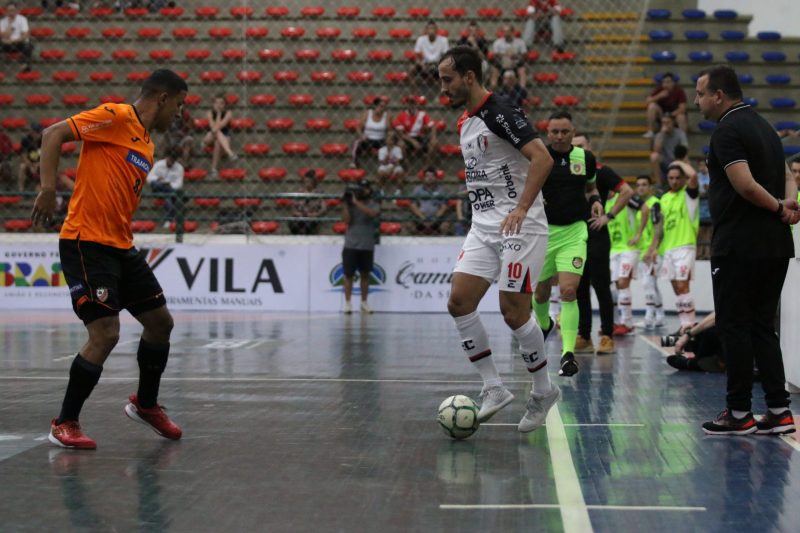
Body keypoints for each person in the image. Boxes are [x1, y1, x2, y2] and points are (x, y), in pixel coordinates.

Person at [31, 69, 188, 449]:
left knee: (160, 323)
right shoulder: (116, 117)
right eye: (179, 105)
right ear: (162, 98)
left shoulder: (147, 145)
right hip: (86, 242)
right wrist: (49, 188)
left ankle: (145, 405)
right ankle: (65, 422)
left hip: (120, 246)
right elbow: (53, 134)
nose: (180, 115)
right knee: (105, 333)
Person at [438, 45, 557, 432]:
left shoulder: (500, 112)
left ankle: (543, 391)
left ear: (469, 77)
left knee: (513, 311)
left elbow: (543, 158)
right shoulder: (464, 121)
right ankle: (493, 387)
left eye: (448, 79)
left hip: (519, 226)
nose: (443, 88)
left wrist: (521, 207)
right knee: (459, 302)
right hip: (483, 226)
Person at [695, 65, 798, 436]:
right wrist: (789, 202)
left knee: (735, 326)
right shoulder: (765, 126)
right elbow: (788, 171)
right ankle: (779, 410)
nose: (697, 101)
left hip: (740, 244)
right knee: (761, 326)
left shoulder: (727, 130)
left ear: (719, 95)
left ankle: (739, 413)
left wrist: (777, 207)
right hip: (775, 245)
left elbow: (745, 185)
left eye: (701, 93)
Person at [532, 111, 604, 376]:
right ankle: (543, 324)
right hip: (544, 233)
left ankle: (568, 354)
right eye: (555, 131)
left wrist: (596, 201)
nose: (560, 136)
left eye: (565, 131)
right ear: (547, 133)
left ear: (573, 132)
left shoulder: (584, 158)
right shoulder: (540, 157)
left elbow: (590, 188)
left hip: (575, 232)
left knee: (568, 292)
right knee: (539, 293)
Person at [571, 134, 633, 354]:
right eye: (574, 146)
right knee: (579, 288)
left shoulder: (601, 170)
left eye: (581, 146)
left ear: (589, 147)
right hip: (573, 236)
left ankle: (607, 335)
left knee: (601, 287)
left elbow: (627, 192)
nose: (577, 149)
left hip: (596, 235)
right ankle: (584, 336)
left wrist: (608, 216)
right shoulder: (567, 171)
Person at [658, 163, 699, 329]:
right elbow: (661, 225)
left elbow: (694, 177)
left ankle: (690, 325)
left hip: (685, 246)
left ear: (683, 179)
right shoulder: (664, 198)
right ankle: (684, 324)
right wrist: (654, 247)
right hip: (668, 248)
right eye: (671, 178)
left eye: (677, 178)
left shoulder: (689, 195)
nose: (674, 181)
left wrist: (679, 162)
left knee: (683, 285)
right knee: (677, 289)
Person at [341, 179, 380, 314]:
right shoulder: (351, 204)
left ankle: (364, 302)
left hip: (366, 244)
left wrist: (357, 203)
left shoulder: (373, 203)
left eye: (365, 188)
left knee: (365, 274)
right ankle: (347, 303)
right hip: (351, 244)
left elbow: (372, 214)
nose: (363, 191)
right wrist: (346, 205)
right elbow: (346, 221)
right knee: (348, 274)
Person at [634, 175, 665, 328]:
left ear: (651, 187)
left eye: (644, 185)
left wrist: (652, 249)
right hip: (644, 250)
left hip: (653, 251)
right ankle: (660, 316)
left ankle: (649, 317)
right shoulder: (643, 206)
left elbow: (659, 227)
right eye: (638, 185)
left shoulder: (654, 204)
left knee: (648, 283)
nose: (641, 187)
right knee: (651, 284)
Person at [392, 95, 438, 168]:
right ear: (406, 104)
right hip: (407, 138)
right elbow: (401, 134)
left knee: (434, 143)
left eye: (413, 103)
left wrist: (433, 137)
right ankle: (406, 166)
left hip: (420, 137)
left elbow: (432, 125)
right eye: (409, 103)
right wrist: (412, 141)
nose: (411, 105)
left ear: (416, 104)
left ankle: (427, 166)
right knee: (401, 144)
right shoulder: (401, 115)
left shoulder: (422, 114)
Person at [146, 149, 184, 229]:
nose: (170, 161)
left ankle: (168, 221)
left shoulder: (179, 168)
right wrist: (157, 178)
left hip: (170, 190)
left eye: (173, 160)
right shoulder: (158, 164)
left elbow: (179, 184)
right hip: (158, 189)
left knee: (168, 198)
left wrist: (169, 184)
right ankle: (168, 220)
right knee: (157, 184)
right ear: (166, 157)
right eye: (170, 159)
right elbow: (149, 178)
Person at [203, 95, 237, 177]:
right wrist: (218, 114)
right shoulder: (209, 112)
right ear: (213, 104)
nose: (219, 105)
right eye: (216, 103)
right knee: (216, 132)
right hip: (210, 136)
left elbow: (222, 124)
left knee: (218, 141)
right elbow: (213, 127)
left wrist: (219, 114)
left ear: (225, 104)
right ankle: (230, 153)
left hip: (224, 138)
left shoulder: (228, 113)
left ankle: (213, 169)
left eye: (221, 103)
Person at [409, 167, 450, 235]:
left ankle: (440, 239)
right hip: (421, 217)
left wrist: (435, 218)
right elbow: (412, 204)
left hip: (436, 218)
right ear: (424, 178)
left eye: (432, 176)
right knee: (408, 223)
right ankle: (418, 238)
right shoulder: (418, 189)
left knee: (446, 224)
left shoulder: (441, 190)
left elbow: (444, 206)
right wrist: (422, 217)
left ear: (436, 178)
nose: (430, 178)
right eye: (427, 176)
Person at [649, 113, 688, 186]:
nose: (666, 125)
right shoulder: (659, 135)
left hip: (677, 159)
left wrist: (679, 159)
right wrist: (662, 134)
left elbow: (684, 149)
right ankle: (659, 184)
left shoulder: (680, 133)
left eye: (668, 122)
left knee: (686, 158)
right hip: (665, 161)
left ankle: (685, 184)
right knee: (654, 156)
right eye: (663, 123)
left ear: (673, 122)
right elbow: (657, 150)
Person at [645, 73, 688, 137]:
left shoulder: (679, 91)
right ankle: (650, 131)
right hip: (661, 114)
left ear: (673, 83)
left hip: (674, 115)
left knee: (681, 117)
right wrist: (659, 96)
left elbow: (683, 108)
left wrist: (670, 115)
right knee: (652, 106)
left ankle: (683, 139)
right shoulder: (659, 89)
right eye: (664, 82)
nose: (665, 84)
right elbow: (647, 101)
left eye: (668, 82)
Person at [351, 96, 388, 168]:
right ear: (375, 106)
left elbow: (390, 129)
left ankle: (386, 163)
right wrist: (362, 136)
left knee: (389, 144)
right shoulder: (367, 114)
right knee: (357, 142)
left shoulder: (386, 116)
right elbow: (358, 127)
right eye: (380, 106)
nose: (382, 108)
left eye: (384, 107)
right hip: (368, 139)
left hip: (381, 140)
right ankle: (354, 161)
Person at [410, 20, 449, 89]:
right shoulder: (421, 40)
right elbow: (416, 57)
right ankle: (415, 94)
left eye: (433, 28)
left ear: (436, 30)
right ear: (426, 30)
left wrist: (438, 64)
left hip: (438, 64)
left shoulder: (443, 40)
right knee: (411, 70)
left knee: (446, 69)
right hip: (424, 64)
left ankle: (442, 94)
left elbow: (445, 56)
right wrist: (422, 65)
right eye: (429, 28)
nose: (431, 31)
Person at [289, 169, 326, 235]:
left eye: (309, 181)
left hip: (312, 216)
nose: (307, 183)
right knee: (293, 224)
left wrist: (315, 214)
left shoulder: (319, 193)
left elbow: (323, 208)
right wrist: (297, 213)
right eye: (305, 182)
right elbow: (293, 207)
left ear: (313, 182)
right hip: (300, 216)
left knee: (309, 225)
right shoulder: (300, 192)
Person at [490, 25, 528, 89]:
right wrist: (506, 55)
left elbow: (525, 55)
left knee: (522, 69)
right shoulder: (498, 42)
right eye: (504, 31)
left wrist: (516, 56)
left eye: (508, 31)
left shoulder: (520, 42)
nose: (506, 33)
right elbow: (495, 54)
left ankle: (522, 89)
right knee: (494, 68)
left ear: (512, 32)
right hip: (502, 63)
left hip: (516, 63)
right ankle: (493, 88)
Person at [0, 2, 33, 71]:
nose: (11, 12)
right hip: (7, 45)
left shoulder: (22, 19)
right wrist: (10, 24)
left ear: (17, 10)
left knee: (28, 45)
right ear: (6, 11)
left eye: (13, 10)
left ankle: (24, 65)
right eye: (9, 11)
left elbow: (25, 35)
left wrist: (12, 40)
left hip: (19, 43)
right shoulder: (2, 22)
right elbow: (3, 37)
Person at [17, 123, 42, 191]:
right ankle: (21, 190)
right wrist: (31, 166)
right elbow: (23, 156)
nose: (37, 134)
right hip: (29, 164)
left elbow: (47, 156)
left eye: (38, 132)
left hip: (41, 164)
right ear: (31, 132)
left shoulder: (43, 140)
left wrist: (38, 164)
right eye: (35, 132)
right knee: (22, 166)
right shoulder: (26, 140)